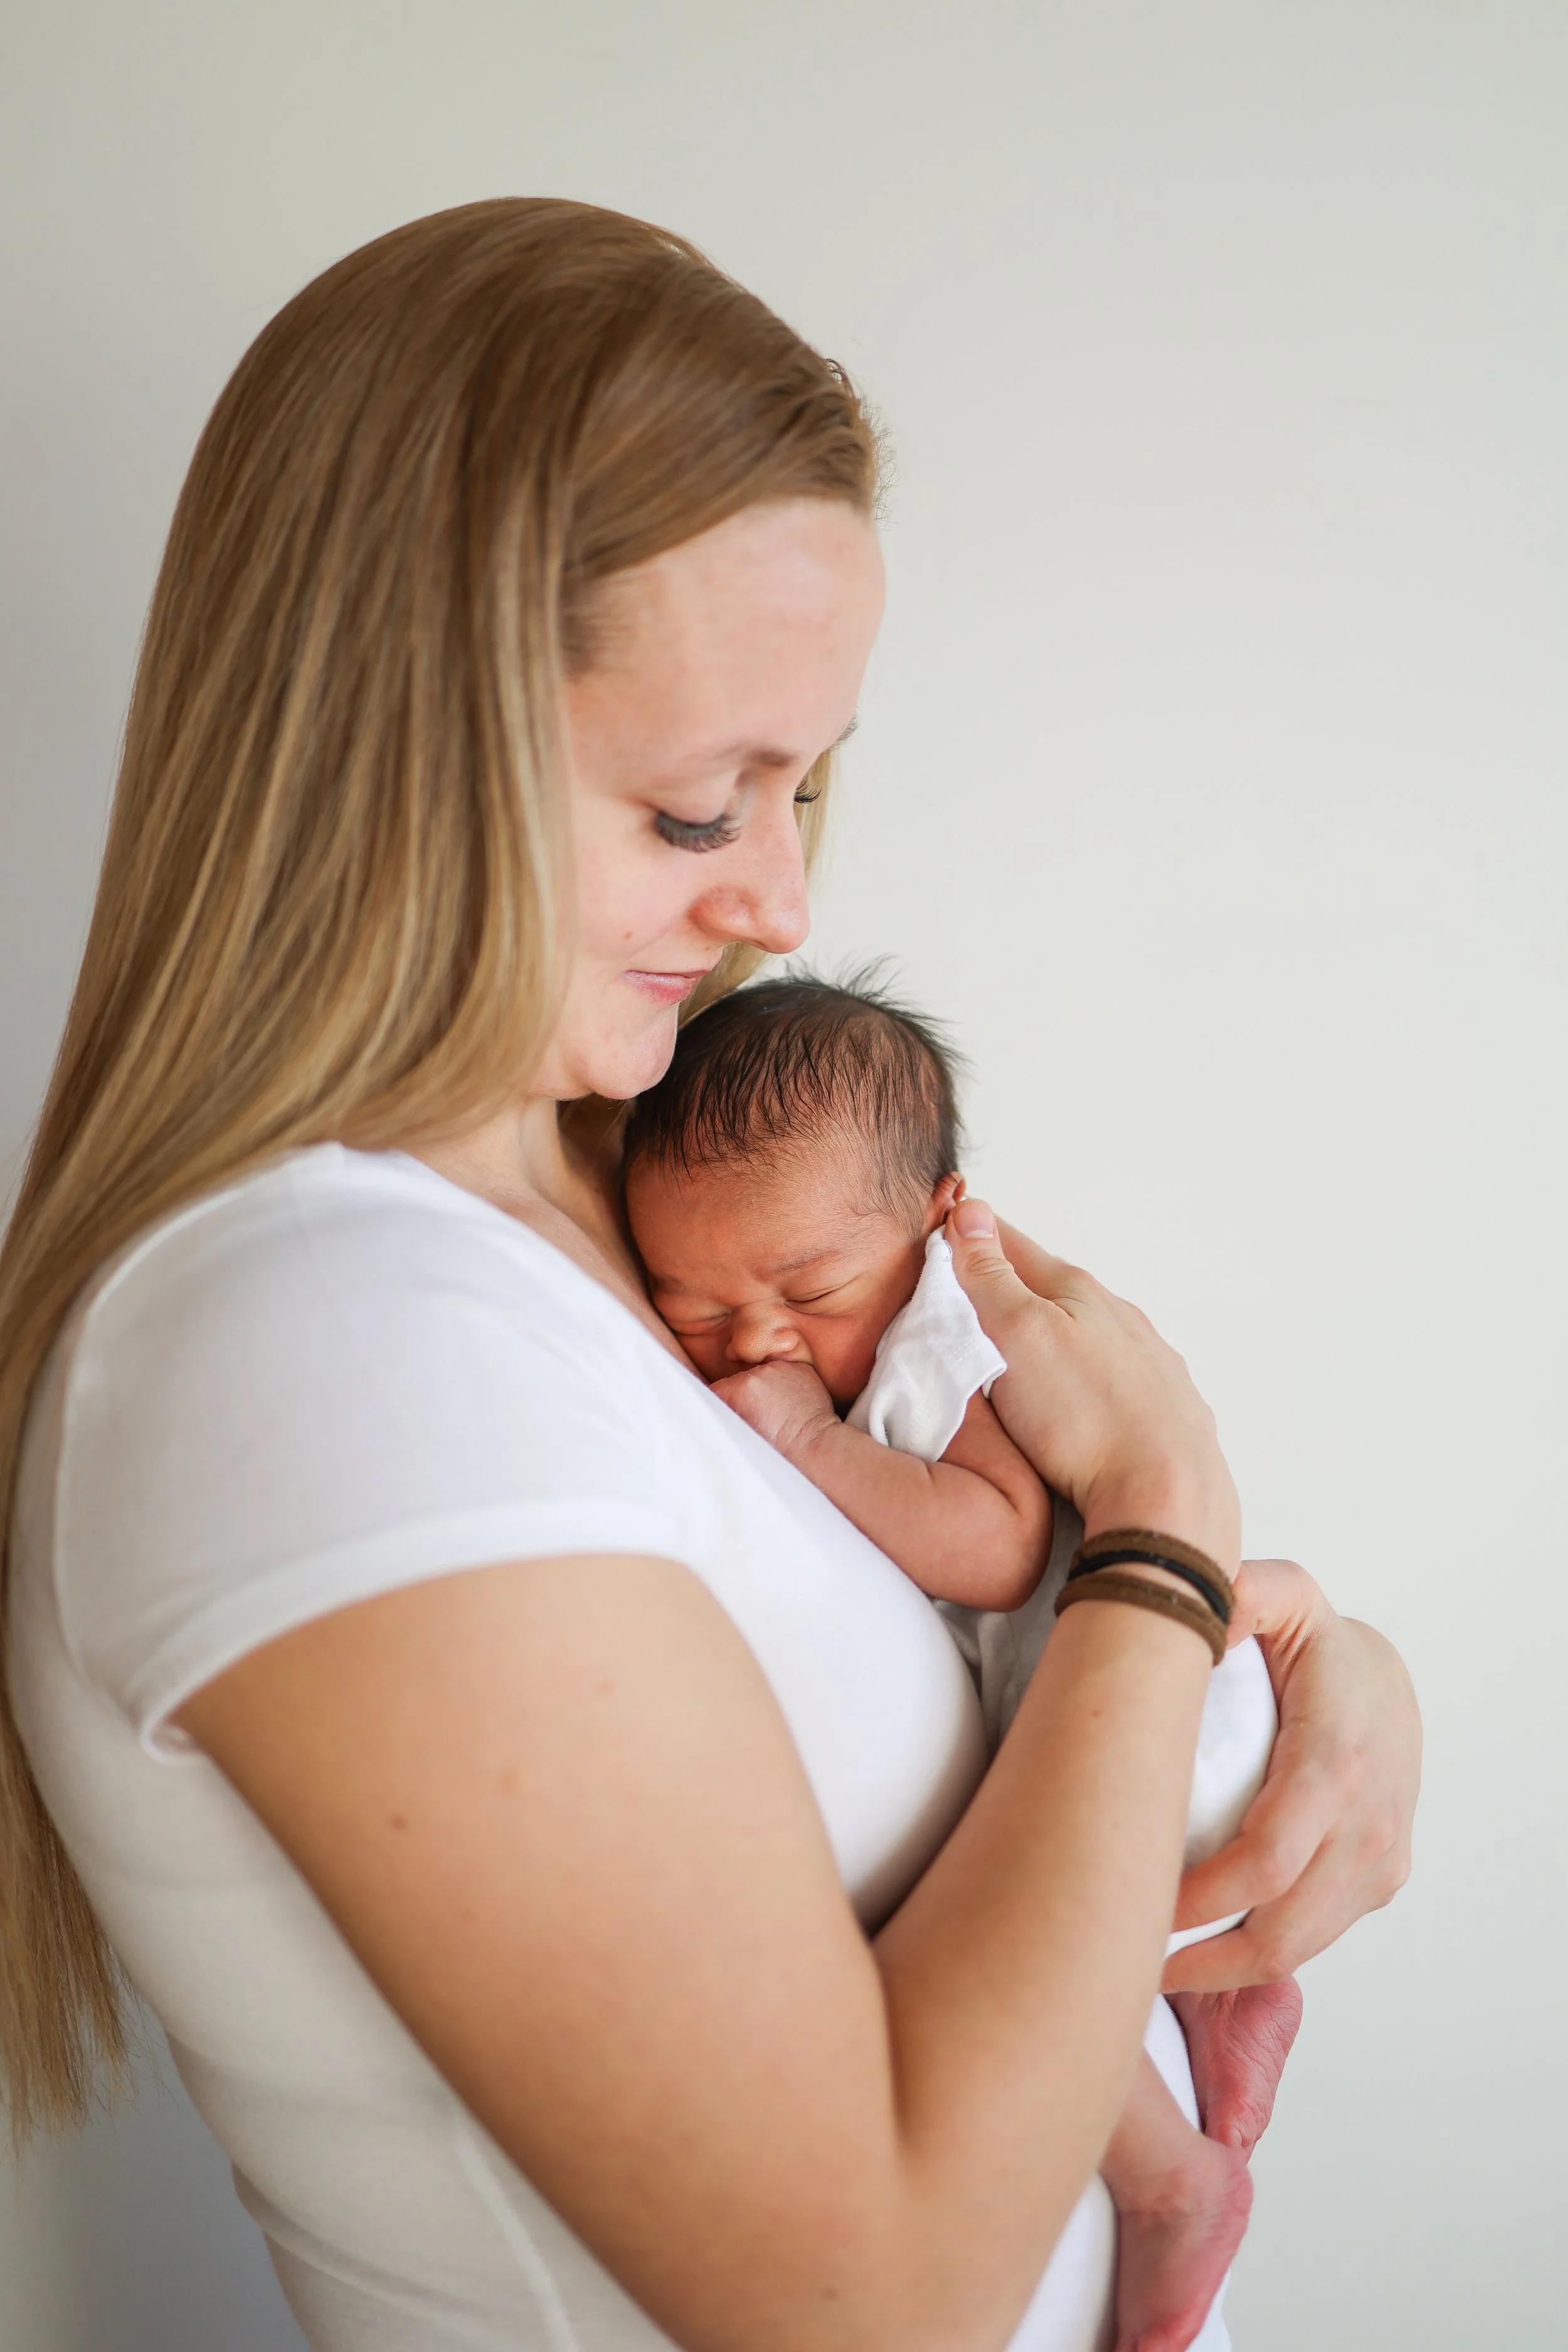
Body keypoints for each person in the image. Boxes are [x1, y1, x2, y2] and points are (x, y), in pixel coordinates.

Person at [0, 198, 1419, 2352]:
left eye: (809, 789)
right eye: (695, 812)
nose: (777, 901)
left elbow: (962, 1646)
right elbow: (871, 2299)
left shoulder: (635, 1221)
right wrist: (1166, 1555)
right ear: (415, 750)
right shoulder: (317, 1340)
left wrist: (1318, 1674)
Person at [621, 972, 1286, 2351]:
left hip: (1147, 1712)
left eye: (809, 1288)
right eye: (691, 1309)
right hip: (1138, 1710)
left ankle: (1168, 2181)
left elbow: (991, 1546)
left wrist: (809, 1444)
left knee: (992, 1888)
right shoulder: (829, 1328)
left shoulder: (949, 1345)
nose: (757, 1342)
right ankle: (1224, 2014)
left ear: (937, 1223)